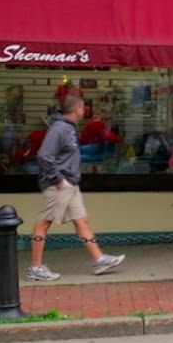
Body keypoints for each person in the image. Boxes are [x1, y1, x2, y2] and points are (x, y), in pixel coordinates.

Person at [26, 93, 125, 281]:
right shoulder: (59, 129)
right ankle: (35, 268)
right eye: (82, 107)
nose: (84, 111)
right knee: (43, 223)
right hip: (59, 185)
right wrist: (58, 180)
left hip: (70, 183)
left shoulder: (69, 128)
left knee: (82, 220)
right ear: (77, 109)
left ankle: (99, 259)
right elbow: (44, 155)